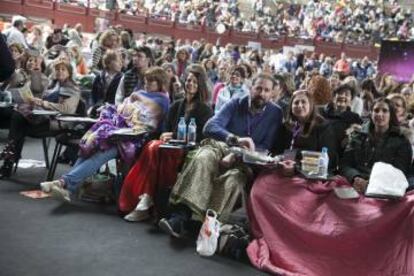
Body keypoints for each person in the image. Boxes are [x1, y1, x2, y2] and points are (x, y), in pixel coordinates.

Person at [247, 98, 413, 276]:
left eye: (384, 111)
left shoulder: (401, 141)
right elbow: (346, 163)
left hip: (383, 190)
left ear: (391, 115)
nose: (379, 115)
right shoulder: (358, 135)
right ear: (370, 114)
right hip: (354, 183)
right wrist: (355, 177)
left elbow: (399, 171)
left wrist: (373, 183)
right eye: (376, 110)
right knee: (328, 206)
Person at [158, 73, 283, 238]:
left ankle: (202, 225)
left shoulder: (275, 113)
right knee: (202, 159)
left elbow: (265, 147)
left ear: (272, 93)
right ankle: (180, 218)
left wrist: (237, 154)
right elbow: (210, 126)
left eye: (266, 90)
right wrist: (234, 139)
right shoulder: (236, 103)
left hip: (246, 160)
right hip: (222, 146)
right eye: (258, 88)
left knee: (232, 180)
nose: (262, 93)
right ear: (251, 88)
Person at [40, 67, 170, 202]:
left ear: (160, 83)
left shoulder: (162, 100)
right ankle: (67, 187)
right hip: (119, 131)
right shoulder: (142, 93)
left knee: (102, 152)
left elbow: (146, 121)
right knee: (89, 148)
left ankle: (63, 183)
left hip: (135, 139)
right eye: (145, 81)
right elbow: (123, 109)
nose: (147, 85)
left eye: (151, 82)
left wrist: (135, 100)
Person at [119, 64, 213, 221]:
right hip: (169, 147)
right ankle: (146, 198)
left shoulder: (205, 110)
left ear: (200, 86)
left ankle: (148, 199)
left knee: (155, 148)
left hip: (190, 151)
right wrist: (165, 136)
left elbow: (201, 137)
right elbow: (165, 130)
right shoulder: (176, 105)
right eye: (189, 80)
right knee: (153, 146)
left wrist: (173, 135)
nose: (190, 84)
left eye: (195, 82)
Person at [0, 60, 81, 178]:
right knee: (17, 117)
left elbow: (65, 109)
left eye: (63, 69)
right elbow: (39, 93)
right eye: (57, 69)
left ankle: (9, 161)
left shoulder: (72, 88)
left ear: (69, 72)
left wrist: (44, 104)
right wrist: (35, 102)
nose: (59, 72)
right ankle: (10, 160)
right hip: (45, 117)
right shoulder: (54, 85)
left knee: (17, 123)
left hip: (59, 122)